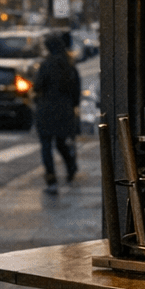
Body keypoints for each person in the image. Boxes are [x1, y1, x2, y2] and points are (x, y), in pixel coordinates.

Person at [34, 32, 80, 191]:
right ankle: (71, 167)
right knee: (62, 143)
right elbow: (76, 90)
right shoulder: (69, 64)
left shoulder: (46, 64)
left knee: (46, 145)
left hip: (46, 110)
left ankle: (51, 177)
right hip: (64, 110)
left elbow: (38, 85)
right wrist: (72, 106)